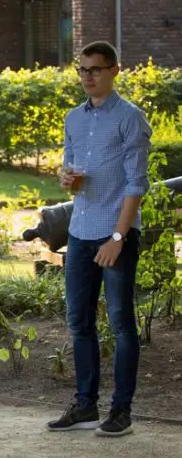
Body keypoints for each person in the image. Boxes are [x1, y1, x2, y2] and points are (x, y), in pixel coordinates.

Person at [46, 41, 152, 437]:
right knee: (79, 323)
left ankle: (120, 411)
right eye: (82, 70)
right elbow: (71, 174)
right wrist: (67, 179)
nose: (88, 77)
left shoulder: (130, 118)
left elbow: (136, 184)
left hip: (114, 236)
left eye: (95, 69)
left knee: (122, 324)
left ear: (114, 71)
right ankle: (85, 405)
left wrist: (118, 236)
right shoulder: (73, 118)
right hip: (80, 232)